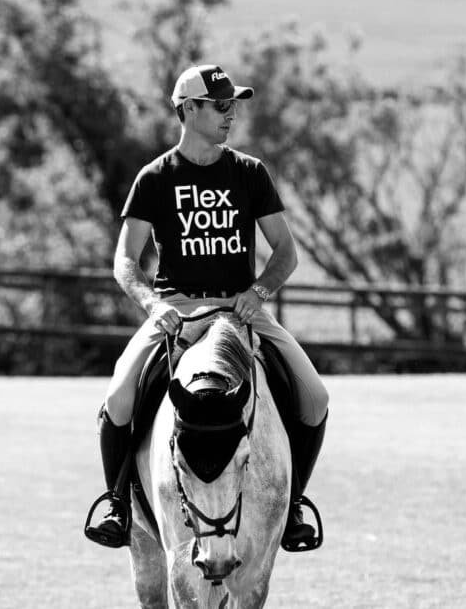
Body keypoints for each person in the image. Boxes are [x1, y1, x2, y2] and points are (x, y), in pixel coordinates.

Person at [84, 64, 329, 551]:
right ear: (187, 109)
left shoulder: (249, 173)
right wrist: (153, 305)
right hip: (175, 310)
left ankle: (295, 504)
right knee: (117, 399)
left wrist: (258, 292)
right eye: (220, 105)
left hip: (243, 312)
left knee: (316, 397)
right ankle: (117, 503)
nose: (231, 114)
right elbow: (125, 260)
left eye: (233, 104)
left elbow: (286, 252)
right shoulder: (154, 178)